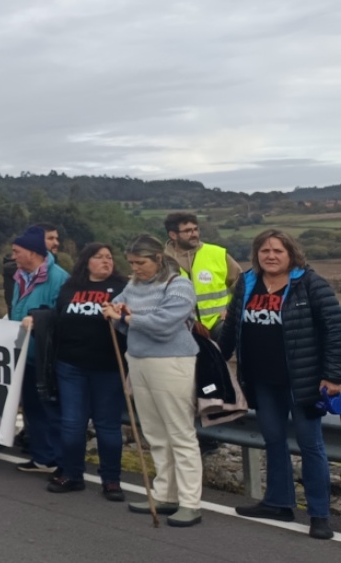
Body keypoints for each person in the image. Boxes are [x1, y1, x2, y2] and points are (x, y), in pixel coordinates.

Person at [219, 229, 341, 540]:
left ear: (291, 254)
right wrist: (216, 362)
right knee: (273, 440)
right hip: (262, 380)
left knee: (311, 445)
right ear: (256, 254)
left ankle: (319, 515)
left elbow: (334, 330)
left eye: (278, 251)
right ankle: (278, 503)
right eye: (265, 250)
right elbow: (231, 327)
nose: (270, 256)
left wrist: (333, 375)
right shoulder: (247, 283)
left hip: (303, 382)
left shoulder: (310, 284)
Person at [102, 234, 201, 527]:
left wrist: (128, 318)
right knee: (155, 433)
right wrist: (114, 312)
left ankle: (190, 502)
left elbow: (165, 324)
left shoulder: (179, 285)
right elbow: (116, 308)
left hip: (172, 362)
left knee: (180, 433)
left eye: (140, 263)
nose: (135, 268)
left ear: (158, 258)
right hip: (138, 360)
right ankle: (165, 494)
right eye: (131, 263)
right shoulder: (133, 284)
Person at [48, 242, 127, 499]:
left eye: (109, 257)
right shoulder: (71, 287)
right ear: (87, 261)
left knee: (108, 425)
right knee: (72, 423)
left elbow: (129, 320)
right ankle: (72, 474)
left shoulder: (122, 288)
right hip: (71, 366)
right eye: (99, 257)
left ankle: (111, 480)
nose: (106, 261)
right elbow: (57, 317)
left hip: (108, 368)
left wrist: (119, 314)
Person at [8, 226, 68, 475]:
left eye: (17, 251)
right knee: (32, 408)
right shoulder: (20, 276)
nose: (13, 256)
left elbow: (61, 315)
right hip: (25, 355)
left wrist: (38, 320)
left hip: (46, 356)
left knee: (50, 409)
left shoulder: (59, 278)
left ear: (32, 253)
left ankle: (59, 459)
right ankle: (42, 456)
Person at [164, 212, 239, 337]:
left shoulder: (217, 253)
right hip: (182, 328)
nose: (194, 234)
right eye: (188, 231)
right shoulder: (160, 262)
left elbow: (241, 285)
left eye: (196, 229)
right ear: (173, 235)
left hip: (220, 323)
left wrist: (232, 310)